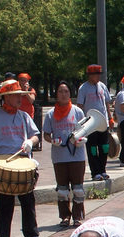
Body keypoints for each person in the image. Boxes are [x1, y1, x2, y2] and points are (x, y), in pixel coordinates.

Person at [0, 79, 42, 237]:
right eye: (16, 96)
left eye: (20, 96)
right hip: (4, 163)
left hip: (23, 161)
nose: (19, 99)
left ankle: (32, 235)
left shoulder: (23, 116)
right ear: (6, 97)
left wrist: (30, 141)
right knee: (3, 204)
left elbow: (36, 135)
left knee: (28, 202)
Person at [42, 81, 87, 227]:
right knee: (62, 189)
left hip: (77, 156)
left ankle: (77, 216)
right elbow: (46, 134)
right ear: (56, 94)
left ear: (70, 94)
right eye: (61, 91)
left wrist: (81, 139)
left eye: (66, 91)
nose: (63, 94)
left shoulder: (77, 111)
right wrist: (53, 141)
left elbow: (85, 129)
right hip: (59, 157)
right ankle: (64, 216)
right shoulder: (50, 114)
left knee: (78, 188)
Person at [77, 64, 113, 181]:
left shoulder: (102, 86)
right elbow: (80, 106)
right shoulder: (83, 88)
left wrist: (110, 117)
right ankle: (95, 172)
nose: (98, 77)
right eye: (95, 75)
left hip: (103, 123)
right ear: (90, 75)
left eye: (99, 74)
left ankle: (103, 170)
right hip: (90, 124)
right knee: (92, 148)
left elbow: (107, 103)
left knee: (104, 147)